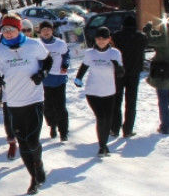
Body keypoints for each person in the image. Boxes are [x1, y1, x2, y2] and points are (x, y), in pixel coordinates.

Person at [0, 15, 52, 193]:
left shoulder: (34, 45)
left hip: (34, 100)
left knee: (32, 140)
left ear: (19, 29)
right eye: (4, 29)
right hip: (13, 102)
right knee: (23, 142)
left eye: (11, 29)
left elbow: (48, 61)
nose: (8, 33)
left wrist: (42, 74)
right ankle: (34, 178)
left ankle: (39, 165)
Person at [74, 27, 124, 157]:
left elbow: (121, 73)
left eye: (104, 38)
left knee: (107, 119)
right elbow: (84, 66)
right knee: (101, 117)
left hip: (109, 91)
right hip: (93, 91)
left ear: (109, 39)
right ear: (95, 39)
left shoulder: (115, 53)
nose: (101, 41)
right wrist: (78, 78)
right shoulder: (90, 53)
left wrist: (118, 67)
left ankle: (104, 143)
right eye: (98, 38)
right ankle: (102, 146)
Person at [111, 15, 147, 138]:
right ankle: (128, 129)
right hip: (134, 73)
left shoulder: (117, 36)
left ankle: (115, 128)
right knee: (131, 102)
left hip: (118, 73)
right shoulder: (141, 37)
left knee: (117, 101)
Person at [37, 20, 70, 141]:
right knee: (48, 107)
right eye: (43, 30)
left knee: (60, 106)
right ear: (40, 31)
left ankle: (64, 132)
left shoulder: (60, 44)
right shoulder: (38, 45)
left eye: (48, 29)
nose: (46, 32)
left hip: (59, 78)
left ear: (52, 30)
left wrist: (65, 65)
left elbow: (66, 55)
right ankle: (52, 125)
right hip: (45, 79)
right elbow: (36, 60)